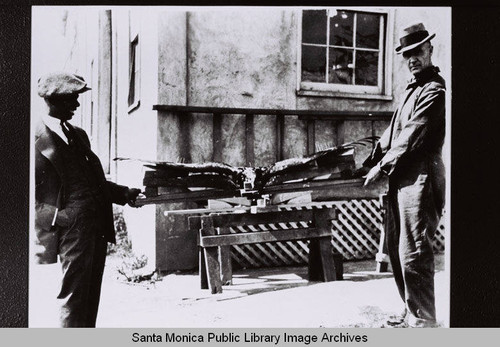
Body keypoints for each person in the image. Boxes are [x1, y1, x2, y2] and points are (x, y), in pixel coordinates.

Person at [34, 71, 142, 327]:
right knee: (73, 299)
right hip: (71, 229)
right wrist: (60, 217)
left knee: (91, 297)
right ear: (54, 100)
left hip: (96, 225)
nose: (77, 104)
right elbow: (20, 197)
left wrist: (123, 193)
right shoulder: (33, 139)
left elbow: (92, 180)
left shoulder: (78, 134)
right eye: (72, 98)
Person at [363, 23, 446, 328]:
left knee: (414, 252)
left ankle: (425, 320)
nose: (412, 58)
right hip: (402, 177)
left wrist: (382, 167)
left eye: (418, 52)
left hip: (422, 177)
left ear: (429, 51)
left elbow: (412, 134)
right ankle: (410, 308)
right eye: (407, 54)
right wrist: (370, 158)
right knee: (397, 249)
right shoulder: (411, 88)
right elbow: (392, 132)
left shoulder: (434, 90)